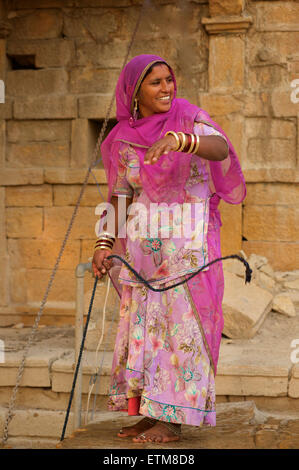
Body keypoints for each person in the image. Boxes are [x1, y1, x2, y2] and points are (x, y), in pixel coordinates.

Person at [92, 54, 246, 444]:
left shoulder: (189, 118)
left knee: (179, 329)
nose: (166, 88)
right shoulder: (123, 138)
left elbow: (221, 149)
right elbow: (121, 194)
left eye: (168, 80)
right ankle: (148, 410)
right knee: (142, 328)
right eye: (155, 83)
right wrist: (104, 241)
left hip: (188, 244)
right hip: (144, 249)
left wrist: (183, 140)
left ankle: (172, 419)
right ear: (134, 93)